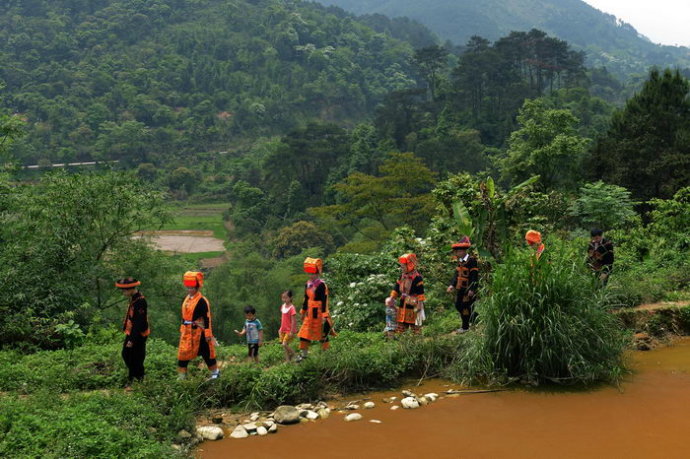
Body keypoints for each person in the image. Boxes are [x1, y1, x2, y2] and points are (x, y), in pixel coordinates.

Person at [177, 271, 220, 380]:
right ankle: (182, 376)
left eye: (192, 288)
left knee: (206, 352)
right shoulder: (186, 299)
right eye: (188, 288)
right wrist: (182, 328)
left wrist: (208, 333)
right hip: (187, 332)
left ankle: (215, 372)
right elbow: (184, 316)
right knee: (183, 352)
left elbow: (207, 318)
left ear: (197, 288)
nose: (190, 290)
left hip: (199, 332)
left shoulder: (202, 301)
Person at [296, 257, 334, 362]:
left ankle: (326, 356)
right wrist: (302, 312)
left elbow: (324, 300)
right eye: (309, 273)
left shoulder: (321, 285)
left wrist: (324, 315)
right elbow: (306, 299)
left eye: (313, 273)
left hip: (319, 312)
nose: (311, 276)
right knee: (304, 334)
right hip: (309, 312)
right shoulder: (307, 284)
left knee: (323, 334)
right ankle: (304, 356)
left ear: (318, 273)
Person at [116, 277, 150, 390]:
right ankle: (137, 378)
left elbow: (139, 322)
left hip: (138, 334)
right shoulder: (134, 298)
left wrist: (132, 339)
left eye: (125, 290)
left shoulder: (140, 301)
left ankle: (136, 380)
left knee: (135, 357)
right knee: (127, 355)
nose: (123, 292)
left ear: (131, 289)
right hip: (131, 332)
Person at [386, 253, 425, 334]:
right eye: (401, 266)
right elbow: (396, 288)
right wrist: (391, 298)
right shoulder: (402, 276)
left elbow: (421, 293)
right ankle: (401, 341)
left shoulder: (417, 278)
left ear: (410, 265)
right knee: (401, 325)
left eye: (403, 266)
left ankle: (417, 343)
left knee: (415, 326)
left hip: (413, 304)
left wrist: (419, 305)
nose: (401, 268)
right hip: (403, 302)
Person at [446, 236, 479, 333]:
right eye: (457, 251)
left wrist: (472, 289)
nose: (457, 253)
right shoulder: (460, 262)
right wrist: (452, 285)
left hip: (468, 289)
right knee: (458, 306)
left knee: (465, 307)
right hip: (460, 288)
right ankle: (476, 319)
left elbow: (474, 276)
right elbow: (456, 275)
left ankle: (465, 327)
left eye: (459, 251)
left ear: (464, 251)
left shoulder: (472, 261)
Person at [278, 290, 298, 362]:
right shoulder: (283, 306)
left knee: (284, 344)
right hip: (283, 329)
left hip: (289, 330)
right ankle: (287, 361)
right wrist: (280, 328)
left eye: (286, 298)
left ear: (290, 298)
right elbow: (283, 319)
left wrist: (292, 331)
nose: (284, 300)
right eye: (283, 298)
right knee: (285, 347)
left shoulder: (292, 308)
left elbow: (293, 320)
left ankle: (295, 355)